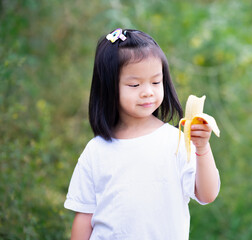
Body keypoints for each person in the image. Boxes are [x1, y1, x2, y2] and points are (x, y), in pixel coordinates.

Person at [64, 28, 220, 240]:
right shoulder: (96, 150)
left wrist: (202, 148)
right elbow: (84, 216)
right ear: (109, 87)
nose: (148, 91)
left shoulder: (174, 141)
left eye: (156, 82)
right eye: (134, 84)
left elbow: (207, 194)